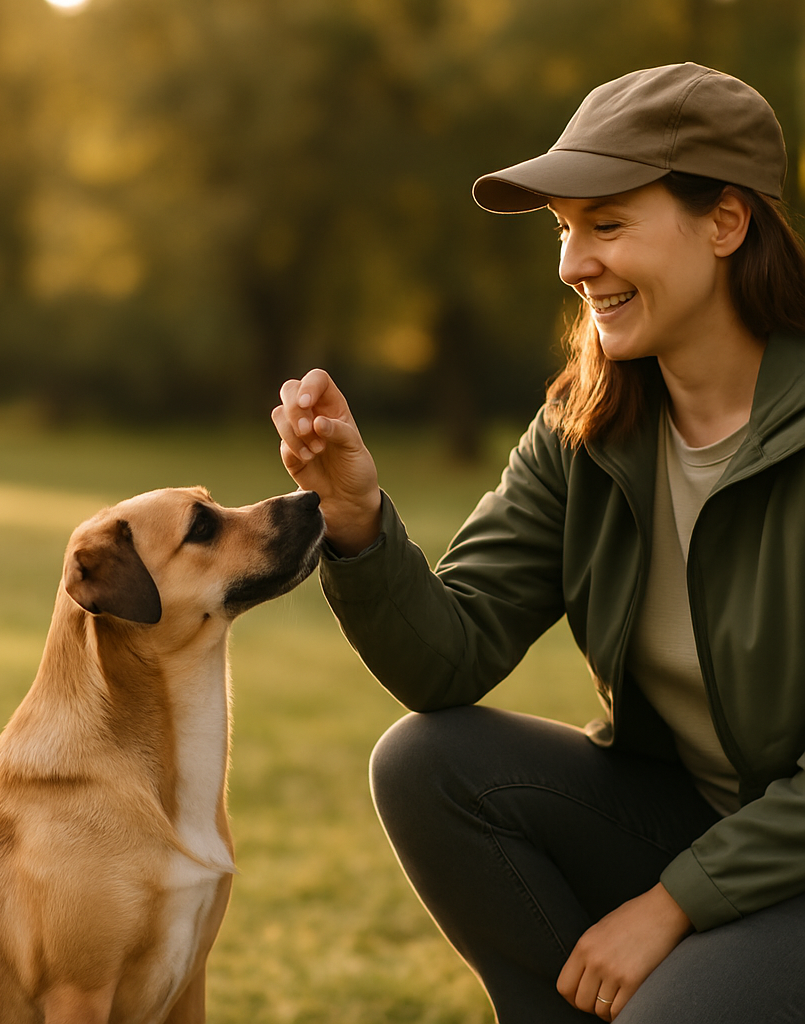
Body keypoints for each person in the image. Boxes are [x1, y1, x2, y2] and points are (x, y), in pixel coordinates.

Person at [271, 63, 805, 1023]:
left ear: (726, 222)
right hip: (694, 821)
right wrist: (355, 515)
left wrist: (674, 904)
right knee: (428, 765)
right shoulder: (586, 429)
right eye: (564, 229)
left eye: (608, 224)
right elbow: (449, 658)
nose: (572, 264)